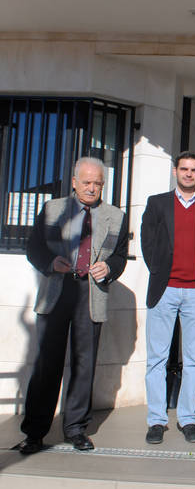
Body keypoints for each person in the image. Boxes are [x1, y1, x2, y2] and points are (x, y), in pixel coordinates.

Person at [18, 157, 128, 454]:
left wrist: (109, 268)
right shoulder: (52, 209)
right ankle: (35, 432)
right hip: (57, 292)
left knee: (84, 366)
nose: (93, 188)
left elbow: (119, 255)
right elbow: (34, 247)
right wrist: (50, 262)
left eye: (98, 183)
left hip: (90, 295)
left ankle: (76, 429)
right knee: (46, 365)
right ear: (75, 182)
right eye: (88, 182)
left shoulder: (116, 216)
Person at [141, 151, 195, 445]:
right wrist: (161, 271)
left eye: (194, 170)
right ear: (175, 171)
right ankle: (157, 420)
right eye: (184, 168)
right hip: (165, 290)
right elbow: (147, 242)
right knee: (156, 359)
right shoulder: (157, 203)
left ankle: (188, 420)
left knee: (193, 360)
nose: (188, 173)